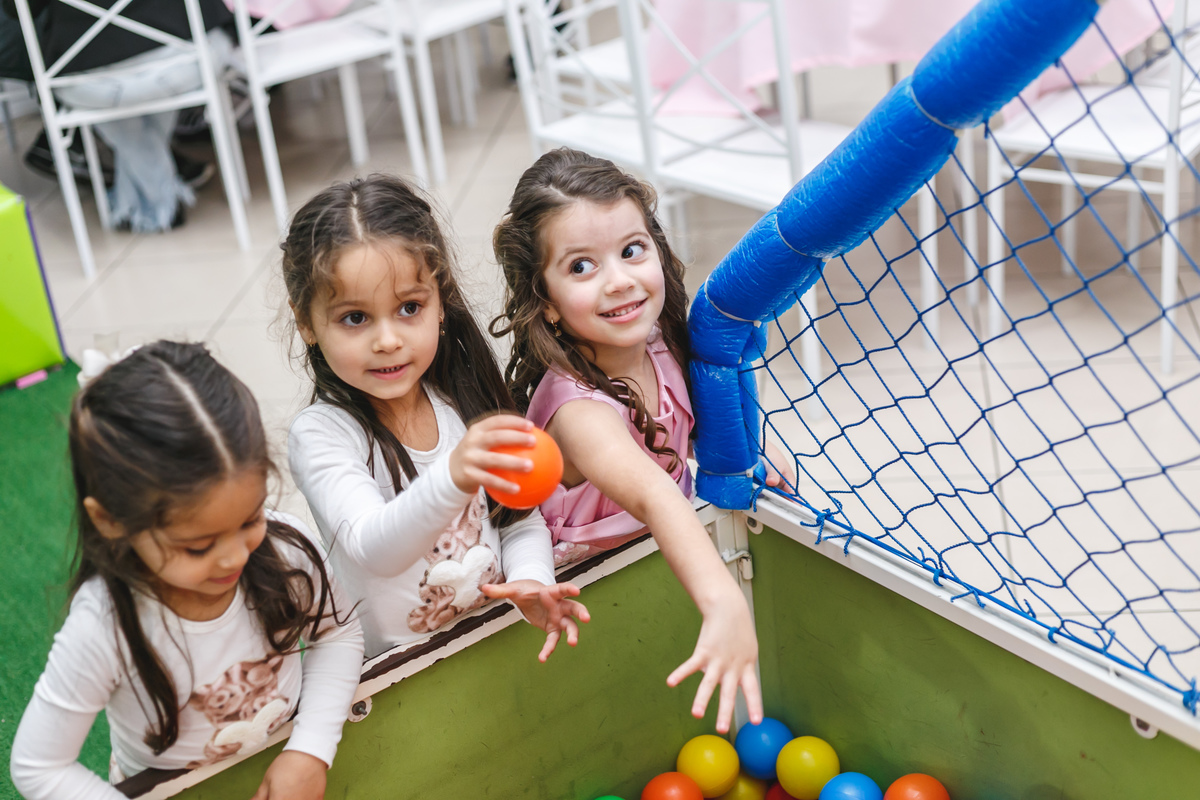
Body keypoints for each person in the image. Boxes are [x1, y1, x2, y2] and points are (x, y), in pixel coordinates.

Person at [489, 147, 792, 733]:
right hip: (587, 601)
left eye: (631, 251)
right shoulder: (577, 411)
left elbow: (696, 437)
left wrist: (762, 460)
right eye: (582, 266)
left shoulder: (663, 343)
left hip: (660, 564)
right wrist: (724, 603)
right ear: (546, 304)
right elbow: (656, 495)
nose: (619, 280)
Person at [8, 341, 365, 800]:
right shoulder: (105, 625)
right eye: (197, 547)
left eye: (251, 518)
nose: (234, 557)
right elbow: (38, 766)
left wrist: (311, 748)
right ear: (111, 521)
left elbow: (336, 634)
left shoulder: (286, 549)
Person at [283, 174, 589, 661]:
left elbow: (516, 521)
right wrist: (455, 474)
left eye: (409, 307)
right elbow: (373, 550)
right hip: (397, 678)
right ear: (307, 323)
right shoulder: (321, 436)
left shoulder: (461, 397)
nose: (388, 339)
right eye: (355, 318)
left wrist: (531, 580)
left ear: (440, 303)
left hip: (489, 645)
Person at [4, 0, 228, 230]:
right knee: (209, 46)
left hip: (93, 84)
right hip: (182, 64)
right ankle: (158, 201)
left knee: (98, 83)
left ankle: (153, 205)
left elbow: (15, 10)